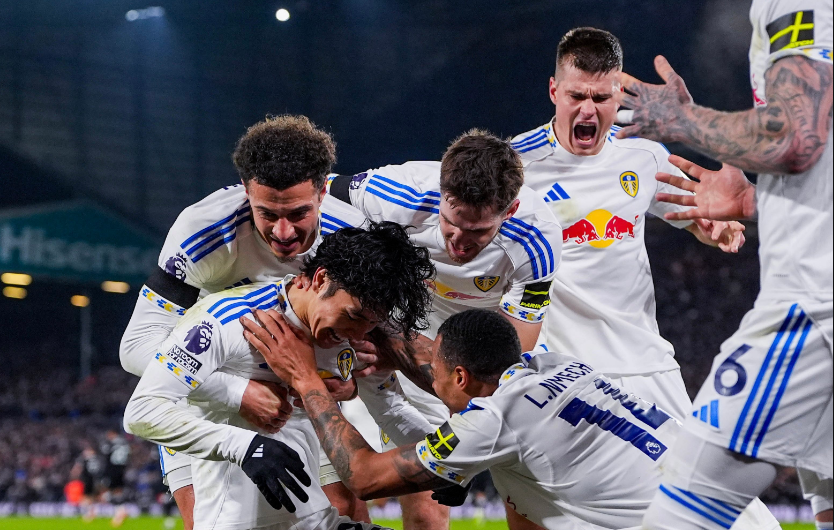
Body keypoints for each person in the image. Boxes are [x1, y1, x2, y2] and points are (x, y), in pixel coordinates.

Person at [242, 307, 780, 530]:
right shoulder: (559, 365)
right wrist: (386, 343)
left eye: (439, 368)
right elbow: (442, 367)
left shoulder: (494, 422)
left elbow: (364, 476)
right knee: (523, 492)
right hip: (744, 516)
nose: (430, 369)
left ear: (459, 375)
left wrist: (306, 380)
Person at [510, 27, 747, 530]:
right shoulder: (514, 166)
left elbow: (693, 216)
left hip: (643, 365)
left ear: (619, 95)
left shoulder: (644, 153)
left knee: (692, 503)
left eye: (601, 97)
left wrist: (716, 230)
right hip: (560, 368)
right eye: (576, 96)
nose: (588, 110)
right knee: (540, 504)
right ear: (554, 91)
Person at [612, 1, 833, 528]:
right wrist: (757, 200)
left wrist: (679, 119)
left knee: (677, 513)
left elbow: (792, 139)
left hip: (815, 309)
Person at [119, 114, 380, 526]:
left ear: (322, 192)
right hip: (206, 388)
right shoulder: (203, 230)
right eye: (267, 213)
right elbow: (137, 346)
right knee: (204, 519)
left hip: (300, 395)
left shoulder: (352, 236)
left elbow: (366, 331)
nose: (283, 232)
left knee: (345, 509)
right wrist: (236, 392)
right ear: (245, 190)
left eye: (298, 213)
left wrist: (347, 374)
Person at [123, 221, 436, 530]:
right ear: (320, 279)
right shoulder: (227, 320)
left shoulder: (356, 336)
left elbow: (390, 408)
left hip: (314, 520)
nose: (356, 334)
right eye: (352, 316)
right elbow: (142, 411)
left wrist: (441, 464)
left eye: (371, 323)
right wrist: (244, 445)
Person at [327, 130, 562, 530]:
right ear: (441, 194)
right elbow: (314, 193)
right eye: (452, 223)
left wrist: (468, 433)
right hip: (405, 321)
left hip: (483, 343)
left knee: (524, 495)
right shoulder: (394, 193)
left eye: (478, 232)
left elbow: (505, 368)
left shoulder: (537, 240)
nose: (460, 242)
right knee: (424, 505)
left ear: (510, 210)